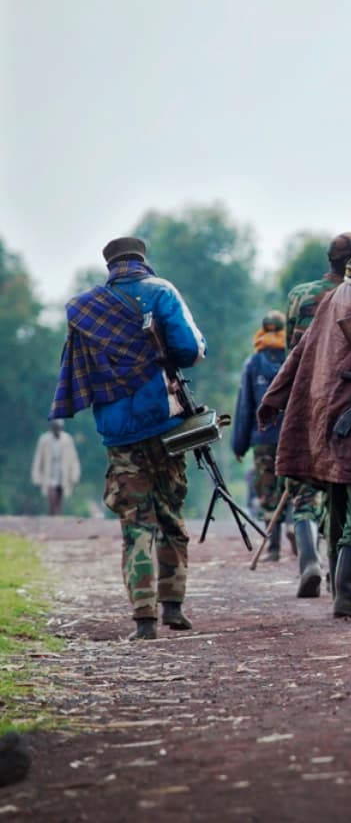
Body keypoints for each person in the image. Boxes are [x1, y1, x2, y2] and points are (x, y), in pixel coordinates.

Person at [50, 237, 206, 640]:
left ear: (110, 266)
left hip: (118, 433)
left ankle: (144, 618)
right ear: (142, 260)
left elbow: (77, 371)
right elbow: (189, 349)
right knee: (170, 513)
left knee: (136, 523)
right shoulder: (160, 291)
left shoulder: (85, 310)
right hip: (164, 425)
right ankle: (173, 605)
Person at [261, 224, 351, 621]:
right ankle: (348, 593)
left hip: (330, 416)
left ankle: (344, 594)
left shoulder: (339, 292)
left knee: (340, 503)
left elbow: (300, 349)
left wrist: (274, 396)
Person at [280, 231, 351, 599]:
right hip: (344, 400)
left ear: (329, 259)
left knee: (303, 490)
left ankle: (308, 560)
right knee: (341, 489)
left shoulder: (300, 295)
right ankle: (339, 576)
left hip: (304, 398)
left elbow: (289, 351)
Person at [232, 311, 288, 563]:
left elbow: (245, 407)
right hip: (291, 437)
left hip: (263, 438)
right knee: (293, 485)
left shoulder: (253, 364)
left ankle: (273, 546)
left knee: (267, 490)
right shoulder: (293, 357)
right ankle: (297, 532)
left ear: (262, 329)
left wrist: (239, 444)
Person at [32, 420, 82, 517]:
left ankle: (56, 519)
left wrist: (75, 475)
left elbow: (73, 459)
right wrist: (36, 477)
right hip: (49, 472)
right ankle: (53, 516)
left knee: (59, 498)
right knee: (51, 495)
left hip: (62, 473)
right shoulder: (44, 440)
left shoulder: (67, 440)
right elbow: (38, 459)